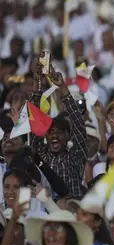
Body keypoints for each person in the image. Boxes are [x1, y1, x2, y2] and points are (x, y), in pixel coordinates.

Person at [30, 62, 89, 198]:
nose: (54, 135)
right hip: (46, 214)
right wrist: (37, 83)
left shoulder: (76, 157)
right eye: (50, 132)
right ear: (45, 137)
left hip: (72, 213)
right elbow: (33, 125)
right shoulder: (39, 157)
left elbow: (78, 125)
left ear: (68, 136)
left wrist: (62, 86)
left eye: (59, 132)